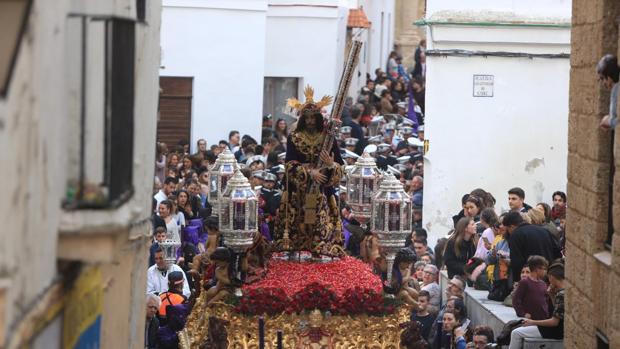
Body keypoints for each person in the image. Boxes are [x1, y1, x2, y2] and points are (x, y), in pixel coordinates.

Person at [274, 86, 345, 254]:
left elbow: (341, 166)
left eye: (314, 118)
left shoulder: (327, 138)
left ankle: (321, 249)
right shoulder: (295, 137)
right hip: (299, 190)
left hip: (322, 189)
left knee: (320, 222)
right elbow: (289, 164)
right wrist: (309, 172)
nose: (311, 121)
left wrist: (330, 166)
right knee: (297, 221)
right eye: (307, 118)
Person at [509, 261, 565, 349]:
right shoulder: (564, 291)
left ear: (552, 277)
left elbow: (554, 322)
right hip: (559, 329)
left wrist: (533, 322)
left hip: (556, 331)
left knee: (516, 333)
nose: (549, 281)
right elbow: (558, 310)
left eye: (549, 278)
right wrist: (551, 295)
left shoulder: (562, 294)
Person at [503, 211, 561, 282]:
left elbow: (517, 261)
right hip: (548, 275)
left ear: (511, 226)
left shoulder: (515, 235)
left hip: (531, 278)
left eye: (507, 230)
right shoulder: (543, 230)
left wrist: (517, 281)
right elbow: (557, 251)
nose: (508, 232)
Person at [512, 256, 550, 320]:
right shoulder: (525, 282)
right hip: (530, 320)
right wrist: (522, 313)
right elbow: (516, 300)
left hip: (542, 318)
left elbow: (545, 300)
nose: (545, 272)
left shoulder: (543, 284)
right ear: (537, 269)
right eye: (544, 269)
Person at [597, 54, 620, 129]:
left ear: (609, 76)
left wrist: (607, 121)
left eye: (602, 78)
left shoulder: (616, 91)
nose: (603, 83)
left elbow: (617, 122)